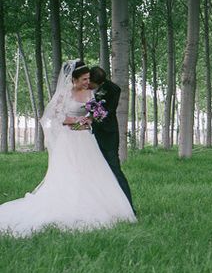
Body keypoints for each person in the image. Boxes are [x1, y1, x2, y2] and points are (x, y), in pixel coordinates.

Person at [0, 59, 136, 238]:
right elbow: (56, 117)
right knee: (70, 172)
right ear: (74, 79)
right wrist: (74, 121)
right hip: (69, 139)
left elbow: (95, 113)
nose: (88, 83)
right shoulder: (64, 94)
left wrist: (90, 119)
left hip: (85, 138)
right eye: (85, 79)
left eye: (89, 79)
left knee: (92, 172)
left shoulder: (89, 94)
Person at [88, 66, 135, 211]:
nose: (88, 84)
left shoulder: (114, 89)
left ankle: (128, 207)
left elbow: (106, 113)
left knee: (114, 169)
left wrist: (89, 107)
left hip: (108, 135)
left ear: (99, 83)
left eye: (91, 83)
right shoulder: (83, 87)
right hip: (88, 136)